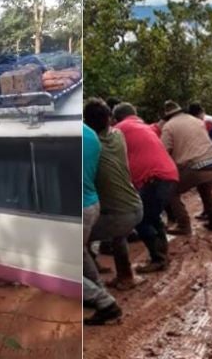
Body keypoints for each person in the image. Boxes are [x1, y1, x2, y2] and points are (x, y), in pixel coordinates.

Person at [84, 98, 144, 290]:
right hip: (135, 205)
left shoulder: (90, 146)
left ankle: (94, 287)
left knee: (79, 238)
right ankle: (126, 277)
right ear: (110, 118)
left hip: (119, 216)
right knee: (118, 235)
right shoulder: (118, 135)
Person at [113, 102, 179, 273]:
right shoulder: (144, 127)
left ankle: (159, 259)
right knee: (153, 216)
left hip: (154, 178)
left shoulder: (119, 129)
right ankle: (162, 254)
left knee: (141, 219)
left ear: (116, 118)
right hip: (168, 174)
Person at [161, 100, 212, 235]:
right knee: (206, 191)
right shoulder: (196, 121)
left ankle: (183, 225)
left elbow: (164, 151)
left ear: (167, 116)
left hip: (196, 166)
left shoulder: (168, 127)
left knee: (171, 192)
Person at [82, 124, 122, 325]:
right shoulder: (89, 134)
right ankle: (98, 290)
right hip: (91, 203)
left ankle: (104, 302)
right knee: (79, 252)